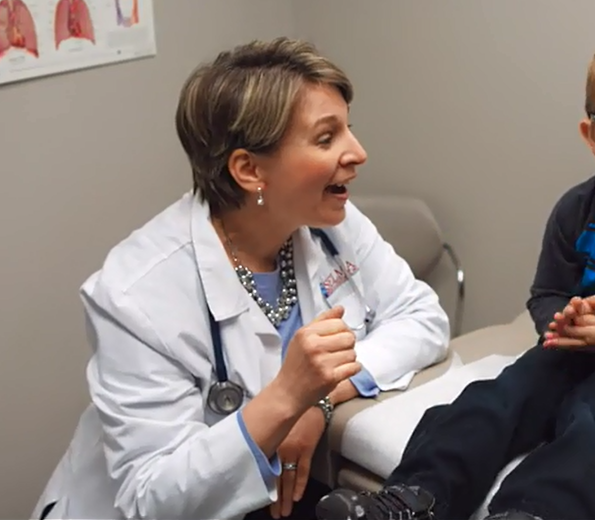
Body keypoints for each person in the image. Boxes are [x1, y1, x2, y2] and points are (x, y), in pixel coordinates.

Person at [315, 26, 595, 520]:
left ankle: (535, 511)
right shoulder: (577, 210)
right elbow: (548, 294)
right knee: (494, 400)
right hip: (578, 350)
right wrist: (565, 321)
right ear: (591, 135)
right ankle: (414, 498)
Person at [31, 37, 451, 520]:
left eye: (349, 130)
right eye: (326, 137)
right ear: (249, 169)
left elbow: (422, 318)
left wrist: (320, 401)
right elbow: (152, 498)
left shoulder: (331, 222)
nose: (358, 153)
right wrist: (285, 398)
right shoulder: (134, 295)